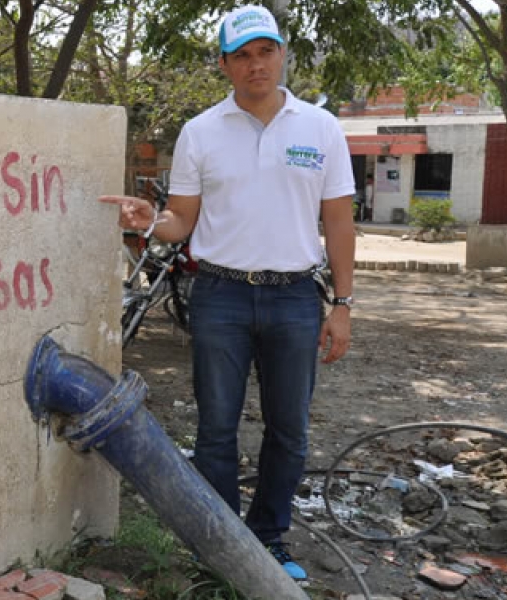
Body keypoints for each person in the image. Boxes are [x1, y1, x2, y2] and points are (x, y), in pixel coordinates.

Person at [99, 4, 355, 582]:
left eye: (265, 51)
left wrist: (342, 304)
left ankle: (269, 539)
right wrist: (147, 220)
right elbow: (181, 221)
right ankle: (218, 544)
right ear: (224, 64)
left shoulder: (321, 129)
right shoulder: (200, 132)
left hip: (294, 298)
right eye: (242, 55)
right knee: (216, 426)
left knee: (289, 429)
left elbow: (339, 222)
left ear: (282, 54)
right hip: (220, 297)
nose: (256, 65)